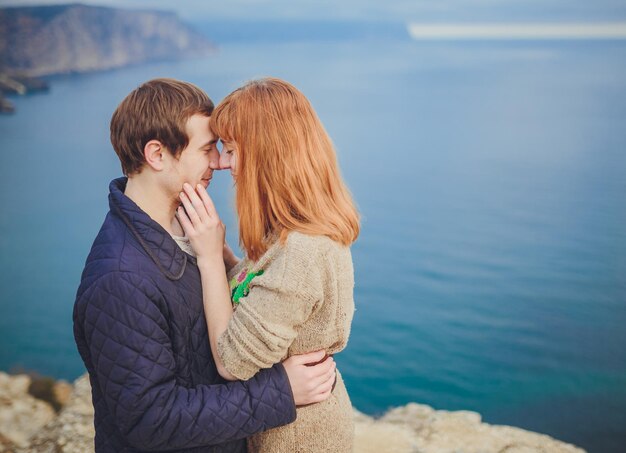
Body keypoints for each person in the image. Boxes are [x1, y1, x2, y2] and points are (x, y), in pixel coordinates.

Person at [72, 78, 337, 453]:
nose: (220, 163)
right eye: (208, 149)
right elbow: (150, 419)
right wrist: (281, 391)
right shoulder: (120, 277)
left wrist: (225, 263)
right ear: (157, 154)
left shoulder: (190, 231)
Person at [177, 77, 360, 452]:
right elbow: (258, 295)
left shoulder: (304, 251)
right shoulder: (293, 231)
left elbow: (231, 362)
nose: (224, 164)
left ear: (266, 152)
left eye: (231, 149)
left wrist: (210, 259)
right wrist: (225, 255)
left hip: (297, 439)